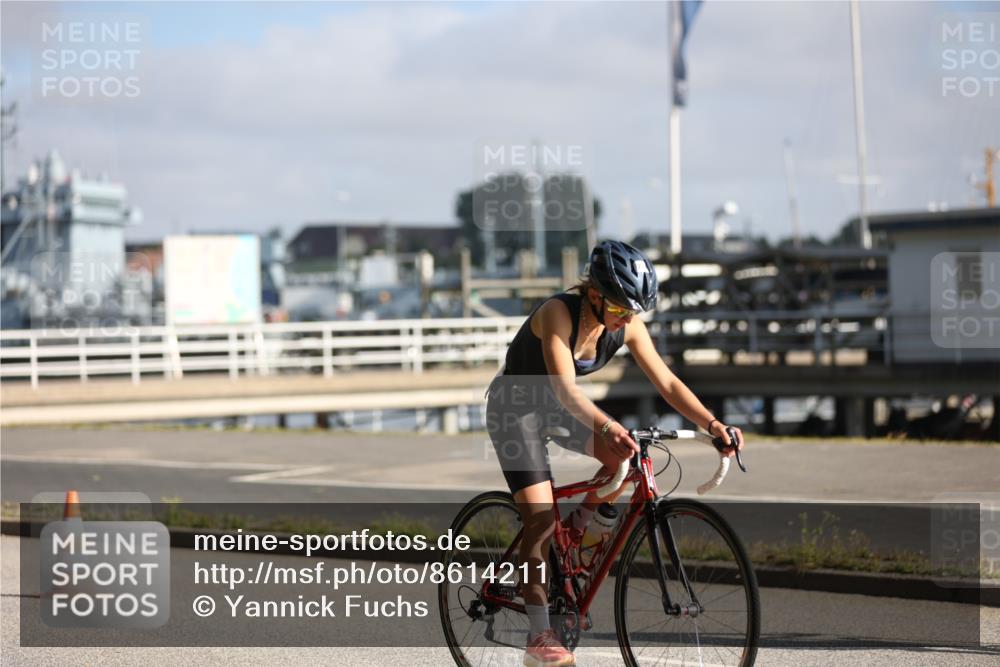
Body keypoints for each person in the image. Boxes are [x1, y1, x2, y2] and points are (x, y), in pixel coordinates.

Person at [485, 240, 744, 667]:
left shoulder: (626, 323)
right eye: (621, 309)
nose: (627, 318)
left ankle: (583, 531)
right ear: (593, 294)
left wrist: (712, 425)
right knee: (541, 522)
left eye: (634, 312)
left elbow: (668, 383)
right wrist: (607, 424)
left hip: (558, 408)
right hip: (516, 411)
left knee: (621, 460)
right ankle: (538, 634)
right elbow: (566, 390)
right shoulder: (557, 313)